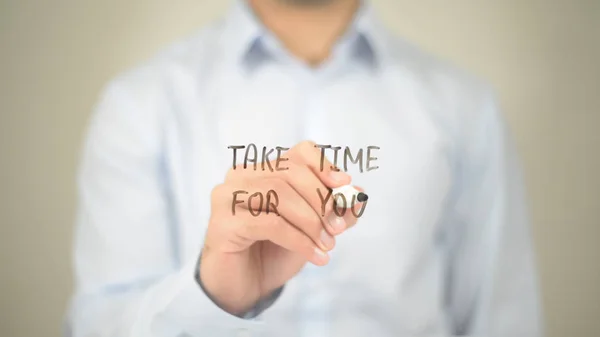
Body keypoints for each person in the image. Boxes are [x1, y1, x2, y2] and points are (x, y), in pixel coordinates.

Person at [66, 0, 544, 336]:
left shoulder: (464, 107)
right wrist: (212, 296)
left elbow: (503, 322)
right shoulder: (140, 104)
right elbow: (99, 327)